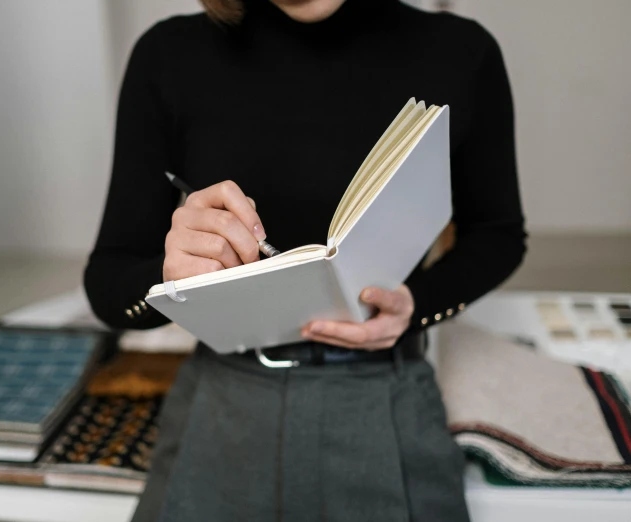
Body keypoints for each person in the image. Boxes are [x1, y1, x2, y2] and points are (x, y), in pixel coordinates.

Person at [84, 0, 527, 520]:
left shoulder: (461, 52)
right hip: (224, 399)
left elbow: (498, 234)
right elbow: (108, 283)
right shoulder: (169, 55)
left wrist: (417, 306)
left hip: (386, 393)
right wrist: (168, 276)